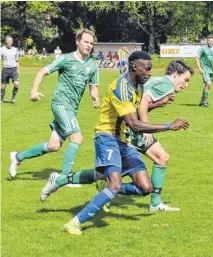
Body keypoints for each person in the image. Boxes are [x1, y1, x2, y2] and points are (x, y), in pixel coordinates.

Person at [40, 51, 190, 235]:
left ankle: (63, 179)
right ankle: (74, 222)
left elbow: (133, 111)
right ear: (135, 67)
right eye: (148, 69)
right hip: (107, 137)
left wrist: (157, 105)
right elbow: (134, 123)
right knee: (115, 185)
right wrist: (169, 125)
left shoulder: (137, 86)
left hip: (123, 140)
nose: (150, 73)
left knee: (145, 188)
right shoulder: (121, 87)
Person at [97, 59, 195, 212]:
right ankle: (153, 203)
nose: (186, 85)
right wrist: (145, 128)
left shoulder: (159, 80)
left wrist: (158, 104)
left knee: (159, 159)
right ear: (176, 75)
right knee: (161, 158)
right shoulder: (167, 84)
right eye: (186, 80)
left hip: (126, 127)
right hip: (131, 129)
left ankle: (107, 187)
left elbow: (140, 103)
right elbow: (142, 102)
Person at [9, 28, 100, 179]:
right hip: (61, 104)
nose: (89, 45)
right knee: (77, 138)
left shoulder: (92, 65)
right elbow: (42, 72)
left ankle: (17, 157)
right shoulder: (65, 59)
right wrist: (34, 90)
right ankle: (63, 179)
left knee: (54, 146)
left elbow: (93, 87)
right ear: (78, 42)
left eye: (91, 43)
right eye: (86, 42)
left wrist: (95, 97)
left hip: (72, 108)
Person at [196, 35, 213, 107]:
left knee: (208, 86)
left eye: (212, 41)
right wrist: (199, 68)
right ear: (207, 41)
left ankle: (202, 101)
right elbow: (197, 58)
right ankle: (205, 101)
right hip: (204, 69)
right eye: (209, 41)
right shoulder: (202, 49)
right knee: (208, 84)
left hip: (211, 70)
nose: (210, 42)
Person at [0, 35, 20, 104]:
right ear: (6, 41)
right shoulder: (1, 49)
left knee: (17, 83)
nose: (9, 42)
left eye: (11, 41)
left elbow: (17, 60)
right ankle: (1, 99)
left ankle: (13, 98)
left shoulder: (15, 50)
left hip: (13, 69)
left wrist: (18, 68)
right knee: (3, 85)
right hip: (5, 69)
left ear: (12, 42)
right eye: (8, 41)